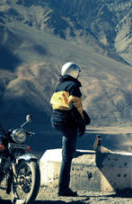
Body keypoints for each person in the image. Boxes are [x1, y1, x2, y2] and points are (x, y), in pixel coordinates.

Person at [50, 62, 89, 197]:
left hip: (57, 120)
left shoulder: (59, 86)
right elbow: (74, 105)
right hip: (67, 122)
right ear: (74, 73)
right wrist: (81, 123)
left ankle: (70, 148)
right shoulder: (73, 86)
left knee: (68, 148)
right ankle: (63, 189)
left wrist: (83, 115)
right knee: (67, 157)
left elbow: (65, 104)